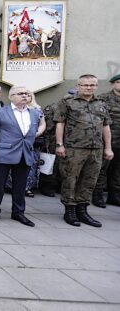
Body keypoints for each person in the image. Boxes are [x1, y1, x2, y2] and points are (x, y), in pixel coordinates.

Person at [55, 74, 113, 227]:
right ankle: (70, 210)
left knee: (90, 180)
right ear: (78, 85)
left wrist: (108, 147)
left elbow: (106, 126)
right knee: (70, 179)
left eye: (92, 85)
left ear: (96, 86)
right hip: (74, 148)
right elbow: (60, 123)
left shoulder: (101, 103)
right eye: (85, 85)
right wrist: (59, 144)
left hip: (96, 149)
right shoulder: (67, 102)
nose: (89, 87)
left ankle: (83, 210)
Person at [0, 85, 41, 226]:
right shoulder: (0, 112)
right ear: (11, 97)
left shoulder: (34, 113)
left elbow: (32, 133)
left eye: (27, 93)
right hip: (3, 154)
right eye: (21, 93)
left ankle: (18, 213)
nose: (25, 96)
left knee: (20, 186)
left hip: (24, 154)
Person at [94, 73, 120, 207]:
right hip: (107, 140)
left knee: (117, 170)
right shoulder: (103, 98)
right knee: (102, 168)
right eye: (119, 82)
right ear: (113, 84)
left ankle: (114, 195)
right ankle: (97, 194)